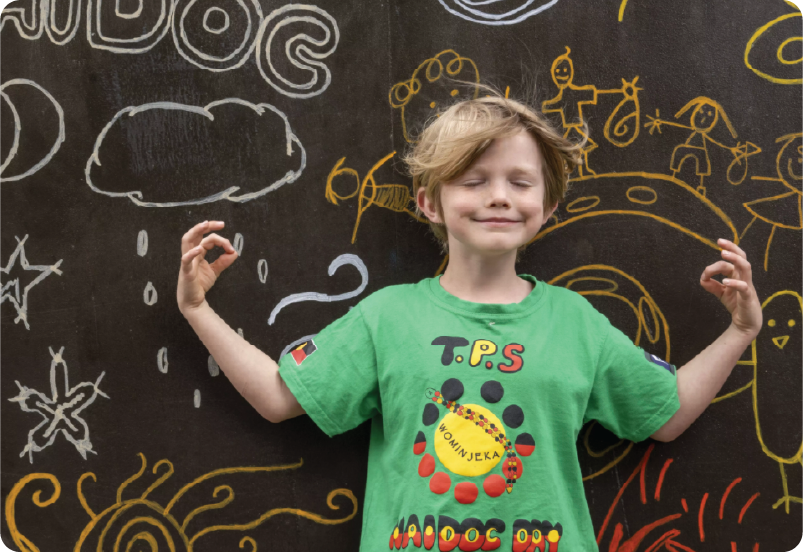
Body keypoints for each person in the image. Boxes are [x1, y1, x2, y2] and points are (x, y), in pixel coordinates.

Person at [177, 95, 762, 551]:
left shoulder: (575, 322)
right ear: (430, 202)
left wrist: (739, 332)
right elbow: (281, 397)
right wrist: (198, 311)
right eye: (474, 180)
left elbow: (664, 415)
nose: (500, 197)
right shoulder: (388, 316)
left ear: (548, 205)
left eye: (520, 182)